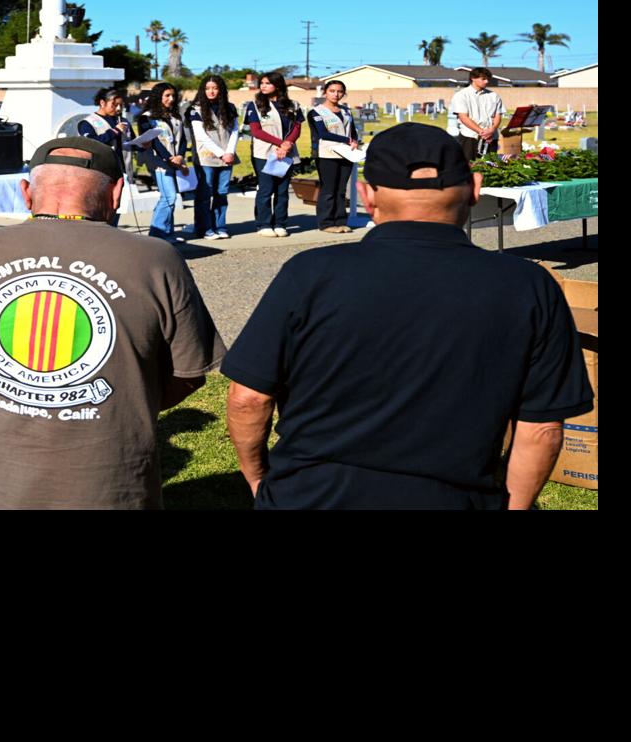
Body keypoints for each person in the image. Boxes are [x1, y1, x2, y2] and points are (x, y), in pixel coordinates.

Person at [221, 123, 592, 509]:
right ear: (476, 188)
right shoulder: (530, 286)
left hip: (310, 495)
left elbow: (248, 398)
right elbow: (543, 429)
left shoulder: (309, 273)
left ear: (366, 197)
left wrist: (259, 480)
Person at [0, 138, 226, 509]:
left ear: (26, 192)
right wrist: (123, 398)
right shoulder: (156, 259)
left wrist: (31, 395)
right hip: (112, 493)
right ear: (117, 192)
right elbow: (189, 372)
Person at [244, 72, 302, 237]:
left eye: (268, 83)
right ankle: (263, 224)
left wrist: (288, 144)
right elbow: (256, 131)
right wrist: (280, 144)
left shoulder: (293, 105)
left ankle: (280, 223)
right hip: (265, 154)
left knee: (282, 190)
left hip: (287, 153)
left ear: (278, 85)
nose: (263, 86)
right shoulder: (255, 105)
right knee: (266, 189)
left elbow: (297, 128)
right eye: (262, 83)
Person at [133, 82, 190, 242]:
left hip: (175, 161)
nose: (171, 99)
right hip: (159, 162)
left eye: (173, 95)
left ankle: (167, 233)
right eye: (167, 96)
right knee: (169, 197)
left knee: (168, 198)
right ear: (158, 97)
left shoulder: (175, 116)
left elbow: (183, 139)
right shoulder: (147, 117)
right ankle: (157, 235)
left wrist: (180, 156)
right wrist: (169, 158)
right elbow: (154, 141)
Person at [188, 74, 240, 240]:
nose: (211, 91)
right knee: (205, 194)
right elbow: (201, 136)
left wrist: (230, 152)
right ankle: (204, 228)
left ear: (221, 90)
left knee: (222, 193)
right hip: (206, 159)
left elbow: (234, 131)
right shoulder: (194, 109)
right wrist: (221, 153)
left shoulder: (230, 108)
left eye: (215, 88)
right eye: (208, 88)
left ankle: (220, 226)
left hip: (227, 158)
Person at [306, 79, 362, 233]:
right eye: (332, 91)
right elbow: (323, 133)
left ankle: (341, 221)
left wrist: (355, 140)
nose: (336, 94)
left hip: (346, 154)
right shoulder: (316, 112)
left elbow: (352, 131)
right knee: (329, 189)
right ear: (325, 92)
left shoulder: (346, 111)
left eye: (339, 91)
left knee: (341, 190)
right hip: (327, 154)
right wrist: (348, 140)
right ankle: (327, 223)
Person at [77, 86, 134, 227]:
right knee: (100, 206)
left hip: (121, 169)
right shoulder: (87, 123)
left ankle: (112, 231)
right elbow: (92, 143)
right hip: (99, 170)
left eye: (121, 105)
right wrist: (114, 131)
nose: (119, 109)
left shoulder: (123, 121)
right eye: (115, 105)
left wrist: (142, 144)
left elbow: (130, 142)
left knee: (117, 205)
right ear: (102, 103)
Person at [450, 67, 505, 163]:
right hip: (470, 137)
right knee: (469, 167)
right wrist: (482, 132)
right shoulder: (461, 95)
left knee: (491, 167)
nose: (487, 81)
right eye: (483, 79)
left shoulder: (494, 96)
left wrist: (492, 129)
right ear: (473, 78)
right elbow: (463, 117)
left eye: (488, 79)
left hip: (491, 137)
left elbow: (498, 115)